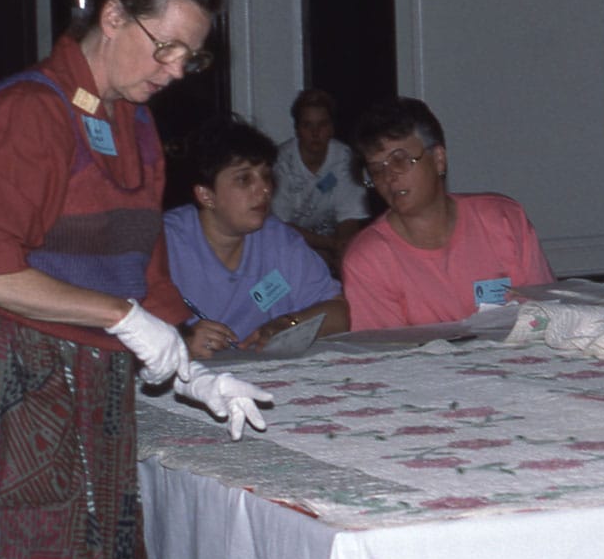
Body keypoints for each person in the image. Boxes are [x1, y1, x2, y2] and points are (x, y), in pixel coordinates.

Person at [0, 0, 271, 559]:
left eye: (189, 58)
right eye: (165, 47)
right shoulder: (28, 111)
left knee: (101, 555)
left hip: (93, 377)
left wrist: (191, 366)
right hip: (14, 370)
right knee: (24, 556)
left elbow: (144, 266)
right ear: (112, 18)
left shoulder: (132, 119)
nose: (172, 71)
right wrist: (123, 317)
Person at [342, 96, 555, 329]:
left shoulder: (502, 219)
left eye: (399, 161)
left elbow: (546, 314)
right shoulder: (369, 258)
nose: (389, 177)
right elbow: (386, 355)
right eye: (376, 170)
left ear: (438, 159)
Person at [165, 114, 349, 358]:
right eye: (244, 179)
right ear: (206, 195)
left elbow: (339, 314)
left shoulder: (279, 240)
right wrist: (181, 341)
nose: (263, 189)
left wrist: (289, 323)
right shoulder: (164, 242)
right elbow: (121, 323)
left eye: (266, 176)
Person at [271, 88, 370, 273]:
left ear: (332, 128)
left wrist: (343, 249)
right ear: (297, 130)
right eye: (308, 126)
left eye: (322, 125)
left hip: (331, 243)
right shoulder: (281, 162)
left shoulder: (344, 158)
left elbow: (349, 216)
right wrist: (329, 244)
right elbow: (280, 226)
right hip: (286, 246)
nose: (315, 133)